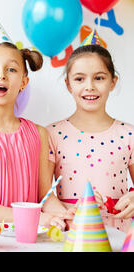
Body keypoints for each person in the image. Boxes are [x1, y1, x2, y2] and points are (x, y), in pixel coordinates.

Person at [0, 25, 67, 227]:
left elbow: (45, 197)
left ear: (24, 82)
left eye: (11, 69)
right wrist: (35, 218)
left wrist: (64, 214)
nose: (1, 75)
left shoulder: (39, 134)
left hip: (28, 237)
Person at [43, 43, 134, 232]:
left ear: (112, 82)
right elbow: (43, 194)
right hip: (72, 235)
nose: (90, 87)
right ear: (68, 84)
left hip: (119, 236)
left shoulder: (129, 135)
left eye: (99, 78)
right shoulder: (51, 134)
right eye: (79, 79)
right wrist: (68, 215)